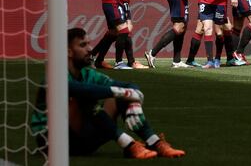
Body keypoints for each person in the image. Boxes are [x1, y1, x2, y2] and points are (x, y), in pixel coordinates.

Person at [31, 28, 185, 159]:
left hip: (83, 141)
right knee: (85, 97)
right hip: (52, 143)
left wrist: (133, 102)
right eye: (83, 45)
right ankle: (129, 144)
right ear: (69, 51)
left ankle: (154, 142)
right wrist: (123, 93)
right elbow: (77, 89)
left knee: (120, 96)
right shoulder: (54, 74)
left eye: (89, 44)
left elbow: (129, 85)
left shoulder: (87, 73)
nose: (90, 49)